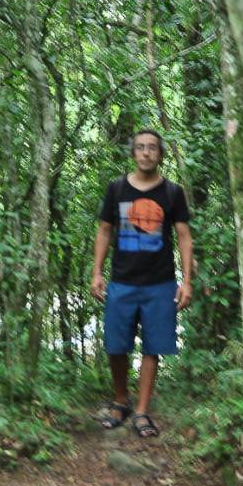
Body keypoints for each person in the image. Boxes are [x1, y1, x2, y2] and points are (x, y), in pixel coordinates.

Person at [91, 129, 193, 437]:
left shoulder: (172, 193)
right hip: (122, 281)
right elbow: (105, 231)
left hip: (160, 283)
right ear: (133, 153)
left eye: (152, 148)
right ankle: (121, 401)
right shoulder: (117, 189)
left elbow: (184, 236)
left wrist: (186, 281)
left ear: (160, 154)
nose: (146, 152)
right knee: (116, 345)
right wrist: (96, 272)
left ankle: (142, 411)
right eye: (140, 148)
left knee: (153, 347)